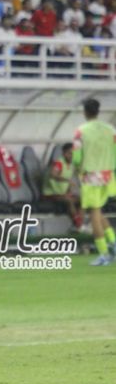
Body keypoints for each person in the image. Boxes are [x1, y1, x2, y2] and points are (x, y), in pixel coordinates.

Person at [73, 98, 116, 266]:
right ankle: (113, 242)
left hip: (91, 175)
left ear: (85, 112)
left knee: (94, 215)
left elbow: (76, 156)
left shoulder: (81, 131)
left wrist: (78, 168)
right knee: (98, 211)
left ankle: (104, 253)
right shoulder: (110, 129)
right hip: (108, 174)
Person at [42, 143, 83, 230]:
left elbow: (69, 182)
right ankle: (78, 226)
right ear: (64, 153)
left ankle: (77, 224)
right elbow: (53, 174)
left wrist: (69, 191)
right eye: (69, 153)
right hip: (50, 194)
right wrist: (66, 180)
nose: (72, 156)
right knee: (69, 201)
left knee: (83, 200)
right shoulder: (58, 163)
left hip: (62, 194)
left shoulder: (72, 165)